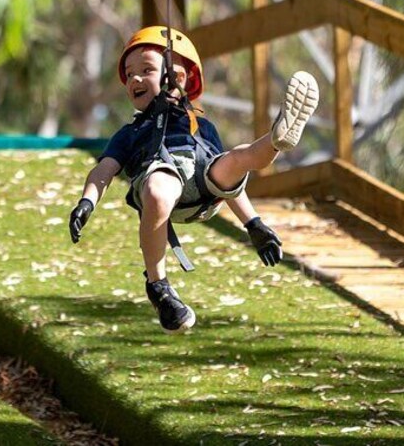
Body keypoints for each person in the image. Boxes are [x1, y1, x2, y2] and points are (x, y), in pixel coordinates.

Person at [69, 26, 319, 334]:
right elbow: (103, 170)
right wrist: (87, 201)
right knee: (160, 187)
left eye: (145, 70)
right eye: (129, 74)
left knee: (238, 158)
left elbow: (228, 179)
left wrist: (254, 224)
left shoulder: (199, 123)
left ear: (179, 77)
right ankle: (158, 287)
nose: (134, 79)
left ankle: (277, 139)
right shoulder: (129, 133)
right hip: (161, 184)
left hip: (204, 186)